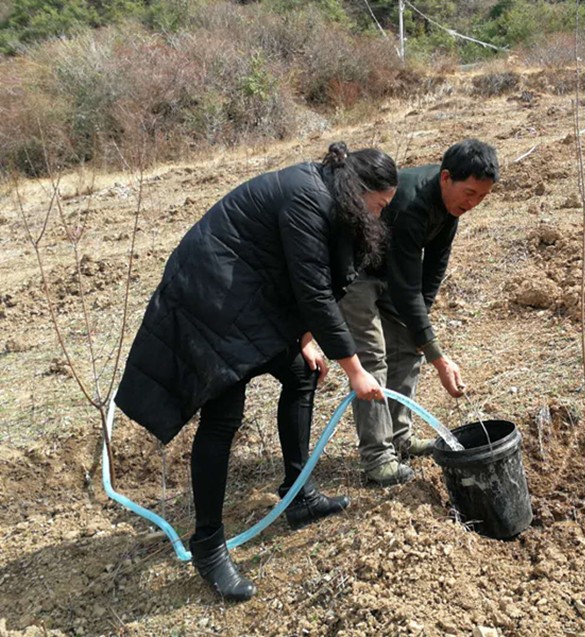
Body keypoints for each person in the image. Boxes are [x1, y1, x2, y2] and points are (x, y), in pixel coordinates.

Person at [114, 142, 398, 602]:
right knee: (223, 415)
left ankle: (299, 494)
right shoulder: (309, 197)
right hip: (210, 297)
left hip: (243, 293)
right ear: (359, 189)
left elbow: (300, 274)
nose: (378, 217)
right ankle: (208, 545)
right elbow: (314, 293)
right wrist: (356, 370)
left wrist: (303, 340)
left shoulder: (327, 194)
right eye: (379, 206)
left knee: (301, 374)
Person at [339, 139, 499, 486]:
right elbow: (406, 286)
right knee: (372, 358)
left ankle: (400, 437)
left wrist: (420, 329)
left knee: (408, 348)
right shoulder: (413, 204)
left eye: (482, 197)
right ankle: (378, 458)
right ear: (446, 178)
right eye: (469, 193)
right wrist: (438, 358)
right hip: (356, 273)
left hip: (391, 272)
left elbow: (433, 269)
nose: (473, 203)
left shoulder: (450, 207)